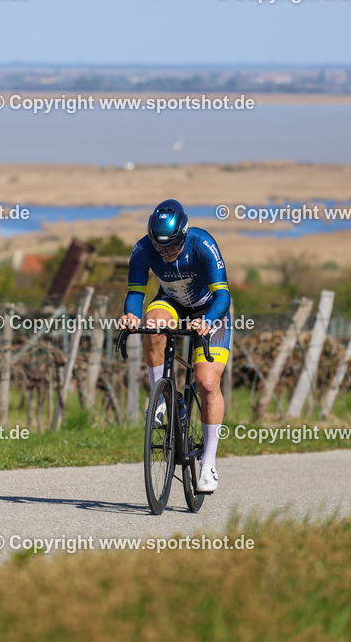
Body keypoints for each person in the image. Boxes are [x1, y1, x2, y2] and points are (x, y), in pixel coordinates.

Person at [119, 199, 231, 492]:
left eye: (173, 247)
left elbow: (223, 297)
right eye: (161, 248)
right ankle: (162, 398)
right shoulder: (143, 249)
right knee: (152, 326)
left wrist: (207, 321)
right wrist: (130, 314)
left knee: (207, 384)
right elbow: (135, 292)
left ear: (184, 234)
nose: (166, 255)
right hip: (172, 303)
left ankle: (208, 464)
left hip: (210, 312)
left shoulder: (202, 244)